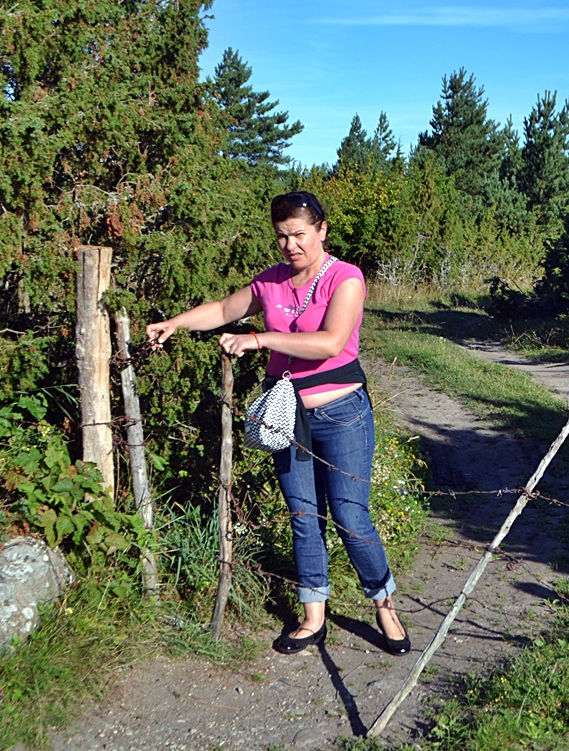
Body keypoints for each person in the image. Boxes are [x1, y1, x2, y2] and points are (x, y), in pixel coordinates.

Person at [146, 191, 409, 656]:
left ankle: (385, 606)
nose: (290, 246)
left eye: (299, 235)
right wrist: (176, 323)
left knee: (350, 517)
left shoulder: (345, 278)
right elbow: (224, 310)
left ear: (322, 230)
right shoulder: (270, 282)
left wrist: (259, 338)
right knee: (305, 517)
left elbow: (330, 343)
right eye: (282, 237)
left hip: (343, 413)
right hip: (288, 416)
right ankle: (313, 617)